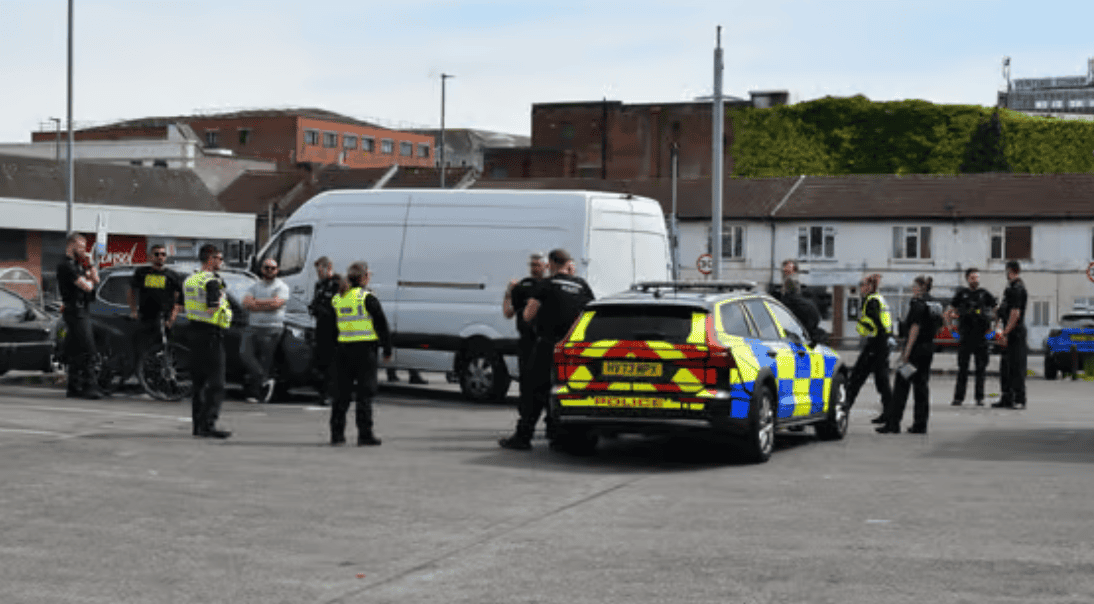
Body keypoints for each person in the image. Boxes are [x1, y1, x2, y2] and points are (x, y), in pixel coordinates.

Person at [499, 249, 594, 451]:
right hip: (572, 348)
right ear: (568, 264)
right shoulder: (582, 286)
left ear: (550, 264)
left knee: (535, 392)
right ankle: (557, 436)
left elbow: (527, 314)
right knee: (564, 390)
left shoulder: (545, 285)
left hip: (548, 345)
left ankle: (523, 437)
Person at [330, 261, 392, 446]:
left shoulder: (338, 298)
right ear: (364, 277)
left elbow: (331, 328)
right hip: (364, 351)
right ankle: (365, 434)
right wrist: (387, 349)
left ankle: (337, 433)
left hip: (343, 350)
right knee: (365, 393)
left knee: (341, 394)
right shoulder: (366, 298)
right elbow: (381, 324)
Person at [183, 244, 233, 438]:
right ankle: (209, 424)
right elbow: (212, 308)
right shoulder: (212, 282)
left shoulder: (190, 279)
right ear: (210, 259)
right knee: (217, 383)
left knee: (199, 383)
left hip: (193, 331)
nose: (221, 262)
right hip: (211, 333)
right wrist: (221, 302)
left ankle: (198, 425)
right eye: (219, 259)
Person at [880, 276, 938, 435]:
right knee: (921, 387)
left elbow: (914, 328)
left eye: (914, 286)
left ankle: (893, 424)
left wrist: (906, 353)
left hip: (915, 352)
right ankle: (920, 424)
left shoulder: (917, 304)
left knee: (901, 384)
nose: (912, 289)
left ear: (920, 287)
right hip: (928, 350)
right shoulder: (935, 303)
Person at [57, 232, 102, 399]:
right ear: (72, 245)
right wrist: (89, 279)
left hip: (82, 310)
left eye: (85, 247)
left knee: (76, 350)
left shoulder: (78, 265)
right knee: (89, 350)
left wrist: (90, 264)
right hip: (75, 311)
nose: (84, 250)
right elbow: (88, 287)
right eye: (81, 247)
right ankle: (90, 386)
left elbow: (96, 280)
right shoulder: (66, 265)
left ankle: (74, 387)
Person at [846, 273, 894, 424]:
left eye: (863, 285)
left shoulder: (872, 301)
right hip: (881, 344)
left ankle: (842, 410)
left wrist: (862, 324)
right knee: (882, 381)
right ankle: (890, 414)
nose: (861, 288)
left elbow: (876, 324)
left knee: (856, 378)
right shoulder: (877, 298)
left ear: (869, 286)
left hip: (875, 344)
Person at [502, 252, 547, 410]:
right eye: (532, 265)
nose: (534, 268)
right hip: (526, 341)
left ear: (546, 266)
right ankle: (526, 408)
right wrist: (508, 293)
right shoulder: (523, 286)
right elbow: (508, 313)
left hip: (545, 340)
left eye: (537, 265)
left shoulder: (551, 285)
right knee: (526, 380)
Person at [127, 244, 183, 371]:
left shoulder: (172, 275)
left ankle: (158, 380)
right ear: (150, 257)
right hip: (145, 317)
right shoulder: (142, 273)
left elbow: (178, 299)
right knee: (143, 350)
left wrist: (172, 318)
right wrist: (133, 310)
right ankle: (141, 377)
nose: (160, 257)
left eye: (163, 254)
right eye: (156, 254)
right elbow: (131, 291)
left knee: (163, 351)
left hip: (165, 319)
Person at [241, 258, 290, 403]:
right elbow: (245, 303)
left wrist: (255, 303)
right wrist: (266, 303)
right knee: (245, 353)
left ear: (277, 270)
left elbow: (276, 304)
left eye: (272, 268)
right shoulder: (255, 285)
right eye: (266, 267)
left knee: (265, 360)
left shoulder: (281, 286)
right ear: (261, 269)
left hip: (272, 328)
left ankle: (258, 392)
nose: (269, 270)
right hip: (253, 326)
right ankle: (265, 380)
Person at [947, 268, 997, 407]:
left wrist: (994, 328)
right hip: (965, 337)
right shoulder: (961, 294)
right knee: (962, 369)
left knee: (981, 370)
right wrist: (952, 329)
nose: (975, 280)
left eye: (977, 277)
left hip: (981, 338)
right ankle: (958, 398)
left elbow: (996, 310)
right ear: (967, 279)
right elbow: (949, 311)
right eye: (973, 278)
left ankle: (979, 398)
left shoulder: (984, 294)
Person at [994, 260, 1028, 409]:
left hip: (1016, 333)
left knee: (1016, 367)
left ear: (1010, 270)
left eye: (1006, 271)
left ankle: (1019, 399)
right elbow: (1003, 312)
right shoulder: (1009, 289)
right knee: (1005, 367)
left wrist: (1006, 333)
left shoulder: (1017, 289)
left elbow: (1015, 313)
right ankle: (1006, 397)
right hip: (1008, 332)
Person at [308, 256, 341, 406]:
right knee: (319, 363)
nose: (318, 273)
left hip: (334, 329)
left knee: (332, 364)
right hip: (321, 329)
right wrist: (314, 308)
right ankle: (322, 393)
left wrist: (325, 310)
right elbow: (316, 302)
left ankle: (329, 394)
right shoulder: (319, 285)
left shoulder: (337, 284)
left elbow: (338, 307)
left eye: (319, 270)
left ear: (328, 268)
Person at [777, 258, 822, 342]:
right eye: (784, 268)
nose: (785, 269)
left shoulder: (790, 282)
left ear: (794, 270)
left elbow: (790, 300)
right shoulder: (791, 282)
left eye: (788, 268)